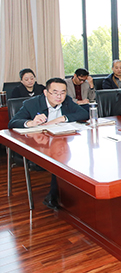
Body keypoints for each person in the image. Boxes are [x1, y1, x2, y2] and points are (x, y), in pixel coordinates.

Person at [9, 77, 89, 209]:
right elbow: (12, 122)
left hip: (60, 141)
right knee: (60, 159)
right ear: (46, 92)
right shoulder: (32, 104)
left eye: (63, 92)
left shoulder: (67, 101)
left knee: (70, 157)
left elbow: (84, 113)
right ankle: (54, 198)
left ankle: (72, 196)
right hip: (39, 145)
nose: (59, 96)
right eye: (55, 93)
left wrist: (63, 118)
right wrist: (31, 123)